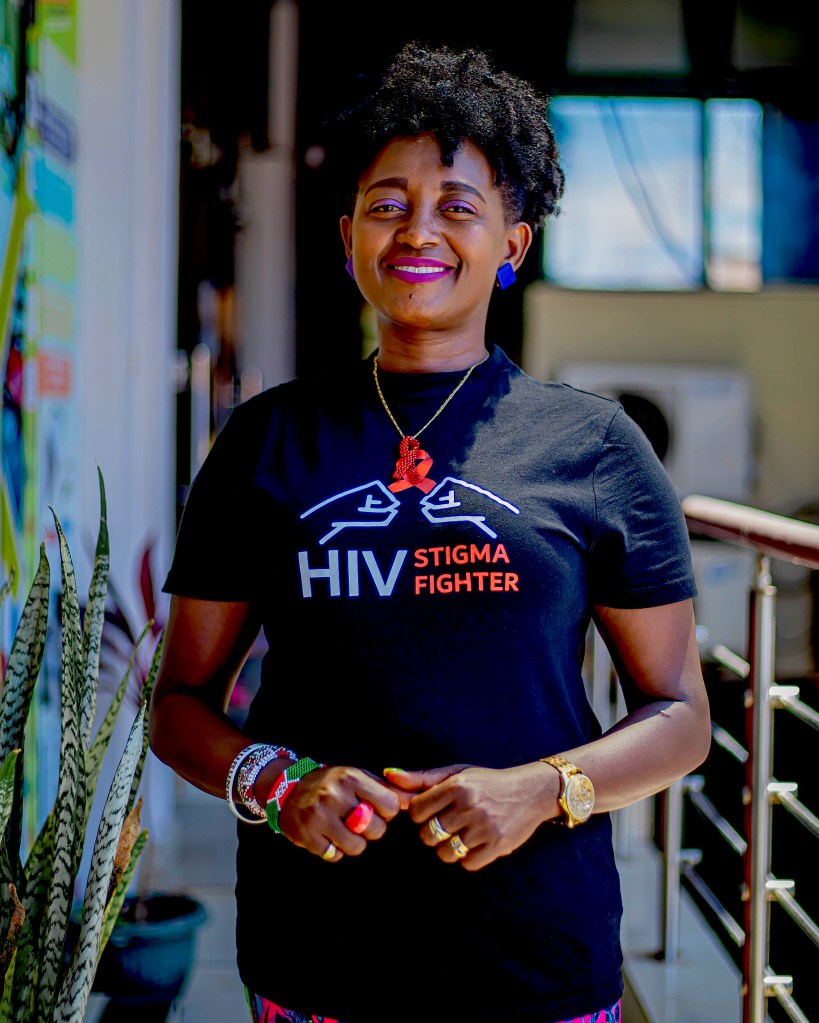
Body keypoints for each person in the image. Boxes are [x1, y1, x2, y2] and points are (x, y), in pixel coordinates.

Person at [149, 41, 711, 1023]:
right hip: (318, 953)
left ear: (512, 245)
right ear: (349, 236)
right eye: (387, 204)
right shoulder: (267, 441)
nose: (417, 231)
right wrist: (275, 781)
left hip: (534, 955)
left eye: (457, 206)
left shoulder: (593, 446)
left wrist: (541, 789)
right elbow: (181, 701)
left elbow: (680, 716)